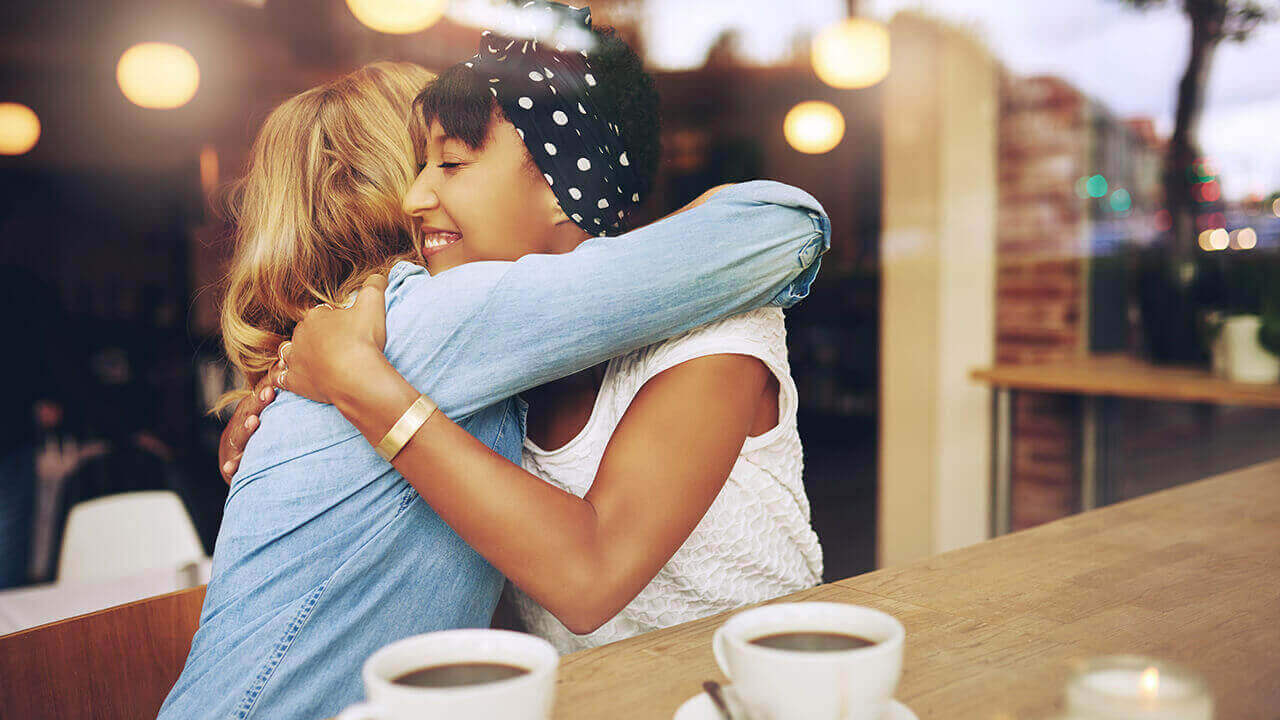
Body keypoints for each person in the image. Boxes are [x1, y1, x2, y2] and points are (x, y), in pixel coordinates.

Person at [165, 32, 828, 720]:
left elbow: (581, 577)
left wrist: (362, 388)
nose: (416, 196)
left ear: (564, 183)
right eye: (418, 163)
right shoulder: (436, 339)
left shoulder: (397, 346)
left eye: (451, 162)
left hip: (773, 697)